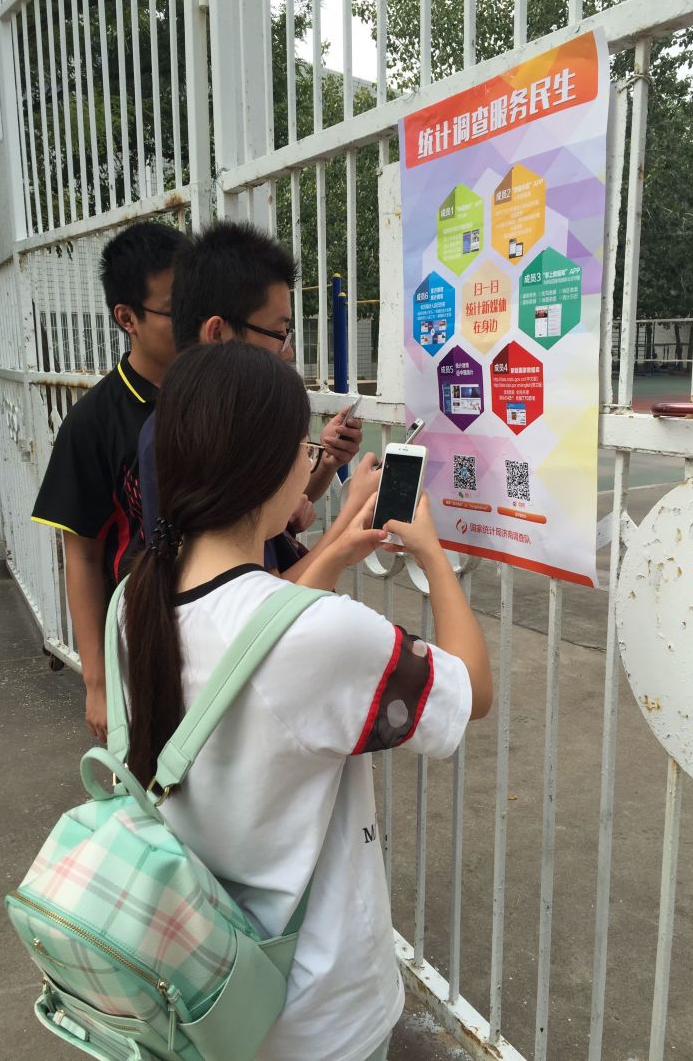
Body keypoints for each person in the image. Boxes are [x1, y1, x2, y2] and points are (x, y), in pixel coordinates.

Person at [121, 340, 493, 1061]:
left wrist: (338, 547)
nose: (310, 460)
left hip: (198, 986)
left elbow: (255, 638)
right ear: (269, 468)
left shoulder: (134, 602)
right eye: (304, 446)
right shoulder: (325, 636)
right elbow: (469, 691)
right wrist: (432, 553)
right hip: (317, 1015)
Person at [31, 220, 188, 743]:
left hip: (228, 623)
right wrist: (96, 684)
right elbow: (81, 556)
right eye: (175, 308)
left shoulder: (213, 395)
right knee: (153, 778)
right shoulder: (93, 422)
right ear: (127, 317)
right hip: (143, 637)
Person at [138, 220, 364, 574]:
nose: (287, 351)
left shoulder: (224, 422)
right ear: (218, 332)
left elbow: (278, 508)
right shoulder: (190, 440)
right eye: (278, 332)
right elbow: (258, 600)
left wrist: (326, 462)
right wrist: (349, 522)